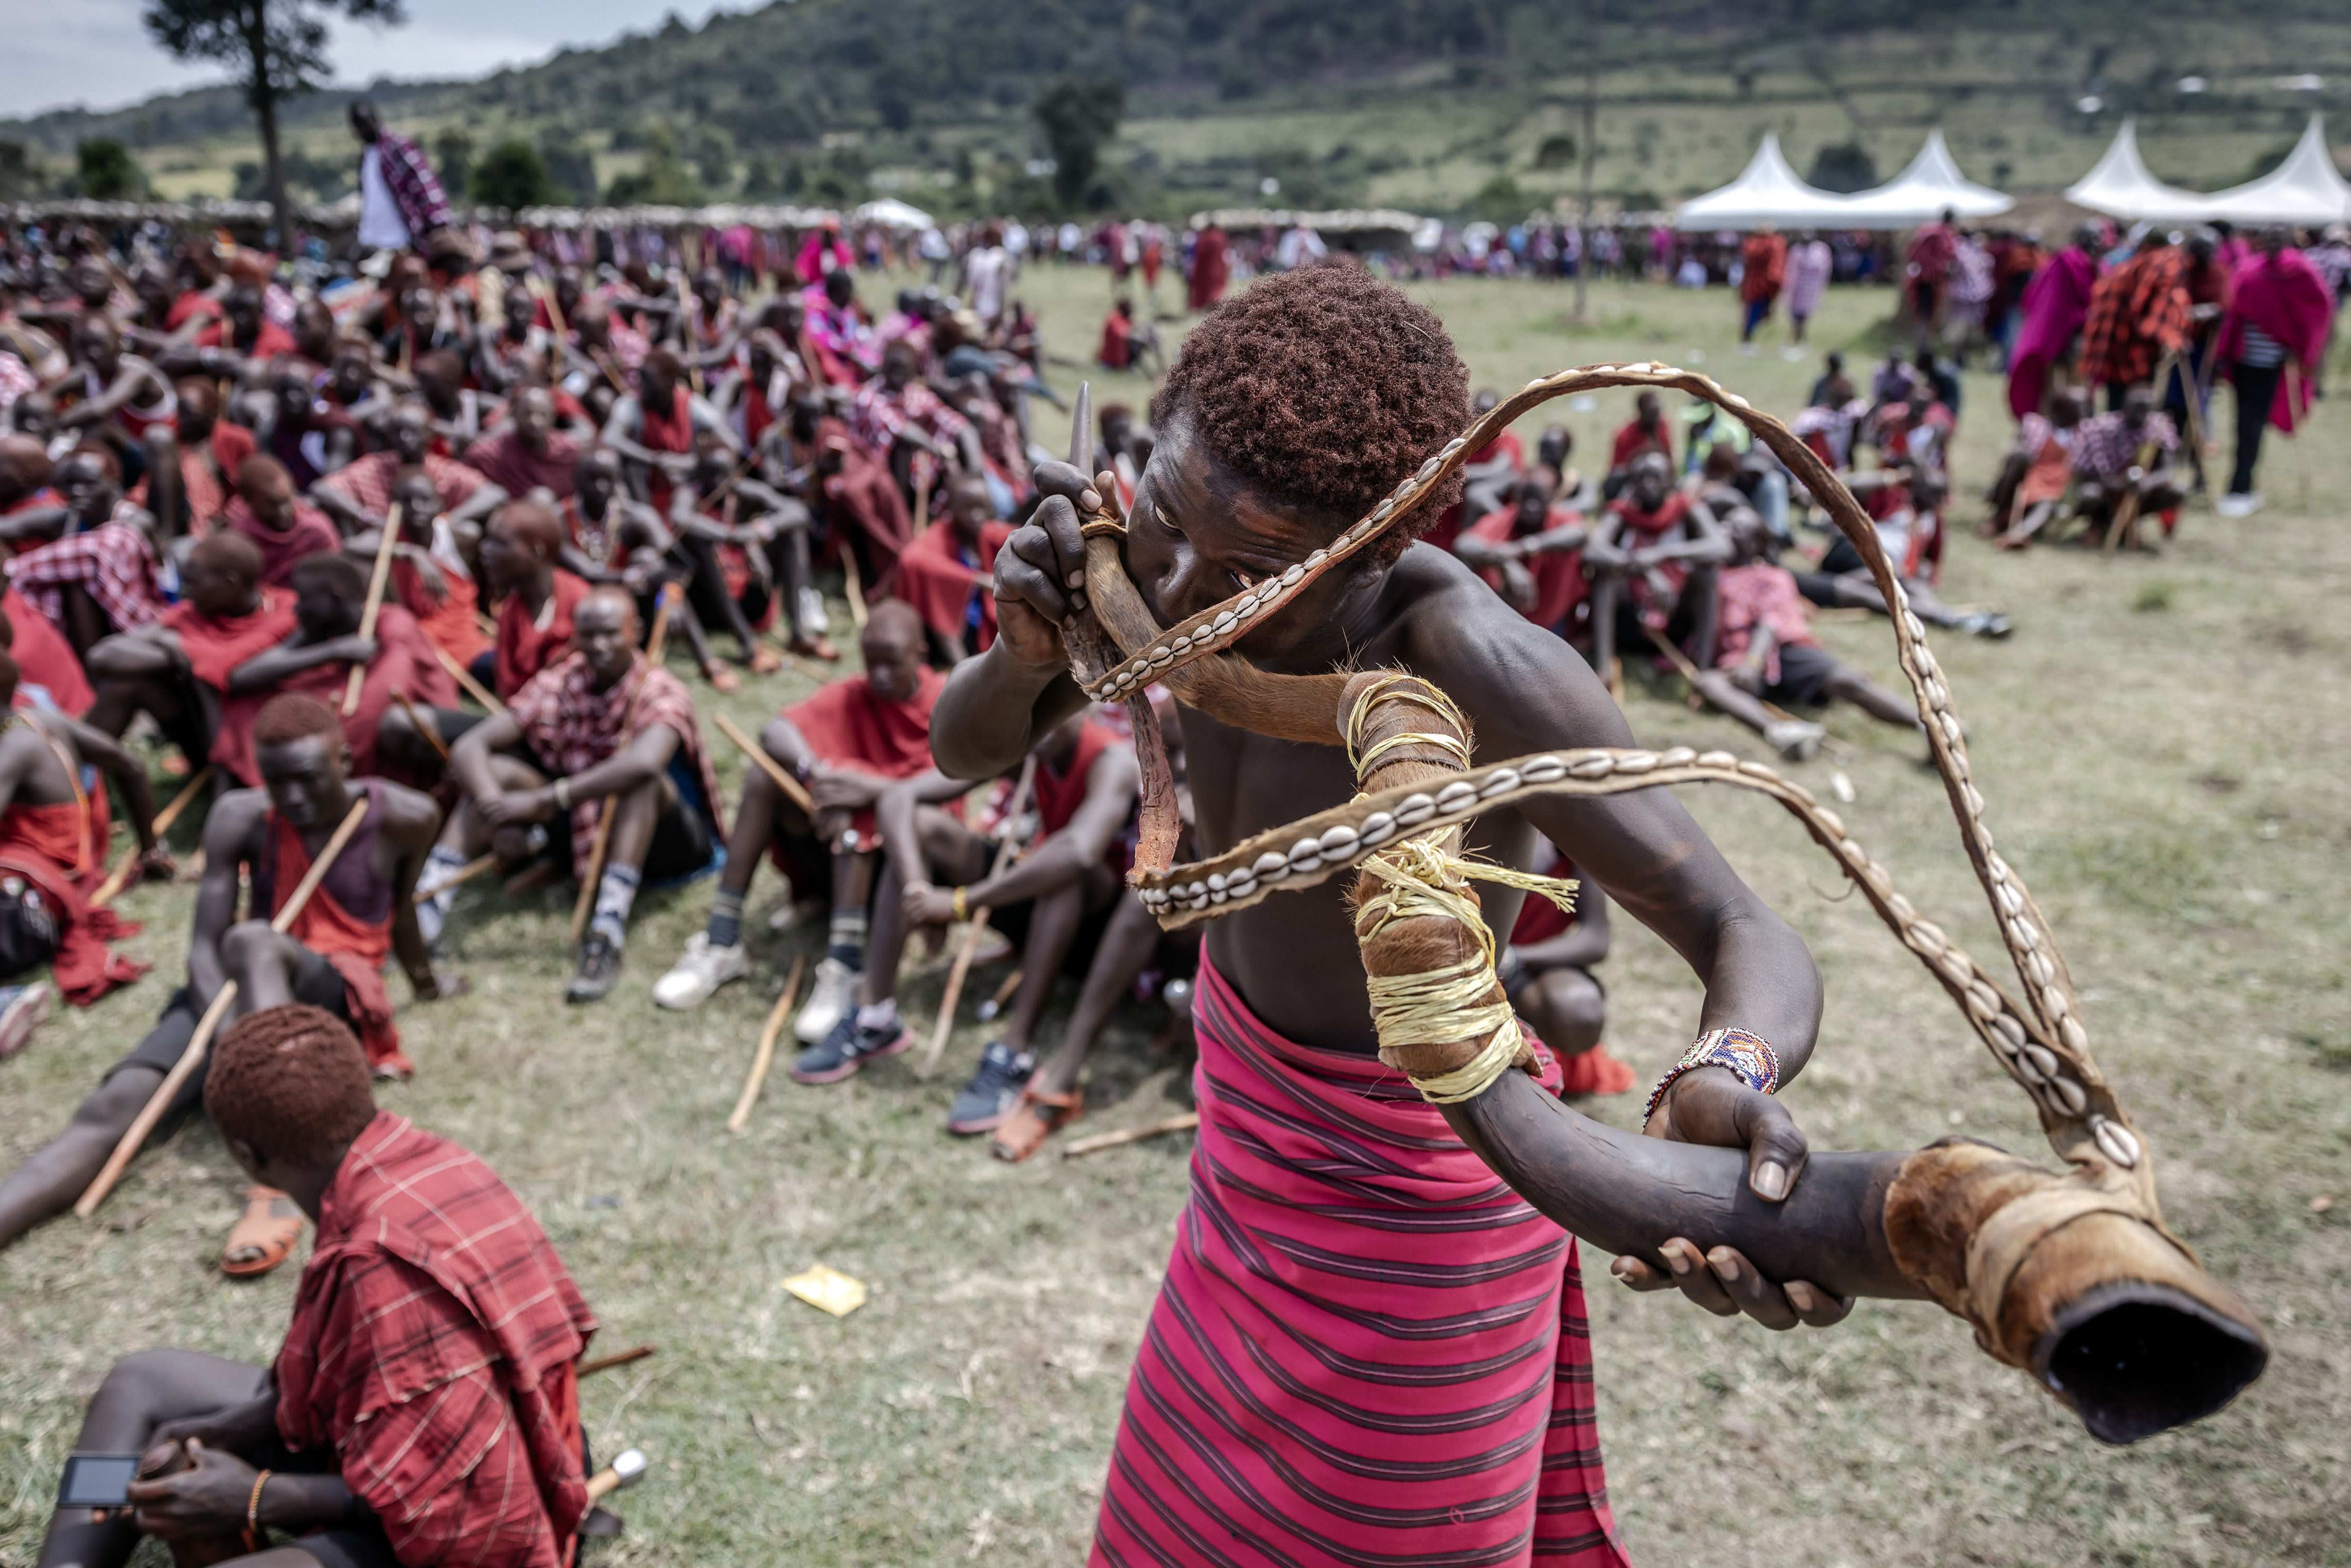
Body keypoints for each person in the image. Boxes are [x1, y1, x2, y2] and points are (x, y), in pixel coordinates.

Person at [954, 266, 1849, 1566]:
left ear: (1379, 540)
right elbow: (960, 748)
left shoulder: (1476, 664)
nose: (1195, 591)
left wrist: (1726, 1067)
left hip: (1424, 1227)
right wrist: (1025, 649)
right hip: (1239, 1180)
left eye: (1260, 570)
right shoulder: (1142, 555)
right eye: (1167, 515)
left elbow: (1736, 924)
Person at [31, 1004, 596, 1568]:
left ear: (248, 1158)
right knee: (143, 1380)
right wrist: (243, 1425)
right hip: (408, 1453)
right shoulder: (429, 1162)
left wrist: (254, 1496)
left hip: (475, 1518)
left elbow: (440, 1501)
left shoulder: (379, 1264)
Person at [0, 693, 452, 1265]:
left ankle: (282, 1170)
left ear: (346, 759)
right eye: (276, 782)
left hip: (330, 992)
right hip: (230, 997)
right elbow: (203, 950)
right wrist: (230, 1038)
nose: (292, 798)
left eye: (309, 779)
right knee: (111, 1110)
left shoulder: (407, 816)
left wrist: (427, 983)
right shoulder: (240, 816)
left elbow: (404, 911)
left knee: (254, 939)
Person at [794, 711, 1138, 1124]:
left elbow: (1080, 851)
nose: (1039, 727)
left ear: (1079, 703)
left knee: (1064, 872)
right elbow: (899, 799)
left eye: (1051, 710)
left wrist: (961, 903)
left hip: (1101, 936)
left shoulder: (1111, 760)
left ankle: (1016, 1052)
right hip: (1041, 914)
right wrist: (919, 892)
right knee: (923, 825)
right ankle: (874, 1014)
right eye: (1031, 709)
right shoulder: (1030, 743)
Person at [650, 601, 942, 1032]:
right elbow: (777, 730)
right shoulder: (854, 693)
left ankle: (846, 963)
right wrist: (817, 773)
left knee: (860, 810)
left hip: (896, 868)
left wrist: (868, 790)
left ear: (920, 651)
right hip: (831, 851)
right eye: (871, 663)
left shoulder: (946, 704)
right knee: (764, 776)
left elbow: (948, 790)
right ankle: (722, 937)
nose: (879, 675)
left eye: (892, 664)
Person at [426, 588, 724, 1002]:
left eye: (609, 634)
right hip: (586, 822)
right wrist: (499, 815)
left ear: (635, 631)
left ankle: (607, 932)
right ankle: (428, 913)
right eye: (588, 635)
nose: (598, 646)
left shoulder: (660, 689)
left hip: (665, 838)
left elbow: (642, 764)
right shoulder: (565, 679)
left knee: (639, 781)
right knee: (498, 772)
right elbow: (470, 747)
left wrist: (547, 800)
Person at [1689, 505, 1926, 759]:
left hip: (1786, 652)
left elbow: (1770, 622)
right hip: (1739, 663)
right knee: (1709, 683)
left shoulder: (1774, 576)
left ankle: (1926, 726)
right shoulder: (1711, 576)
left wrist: (1753, 662)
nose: (1726, 532)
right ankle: (1781, 732)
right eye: (1724, 525)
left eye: (1736, 528)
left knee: (1844, 682)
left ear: (1755, 544)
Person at [212, 552, 455, 785]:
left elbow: (382, 700)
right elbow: (242, 679)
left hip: (401, 723)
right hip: (347, 693)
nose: (296, 608)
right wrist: (331, 650)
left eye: (303, 598)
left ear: (336, 599)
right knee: (248, 706)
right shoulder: (323, 629)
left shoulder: (395, 624)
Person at [0, 647, 157, 1005]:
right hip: (70, 878)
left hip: (41, 889)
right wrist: (151, 851)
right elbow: (131, 765)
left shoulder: (13, 748)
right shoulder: (39, 719)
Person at [86, 532, 296, 771]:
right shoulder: (194, 612)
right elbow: (102, 655)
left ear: (231, 582)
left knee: (204, 681)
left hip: (256, 739)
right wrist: (177, 651)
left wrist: (179, 647)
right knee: (123, 684)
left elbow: (224, 668)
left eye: (194, 582)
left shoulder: (284, 612)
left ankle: (227, 777)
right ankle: (78, 775)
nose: (187, 591)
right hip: (200, 732)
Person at [1582, 449, 1728, 695]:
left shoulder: (1686, 509)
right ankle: (1604, 668)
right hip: (1631, 619)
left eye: (1656, 477)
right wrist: (1646, 571)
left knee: (1706, 574)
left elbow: (1720, 547)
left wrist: (1662, 554)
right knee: (1605, 575)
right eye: (1641, 478)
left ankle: (1702, 671)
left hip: (1674, 617)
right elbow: (1593, 549)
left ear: (1670, 480)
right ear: (1632, 482)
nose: (1648, 485)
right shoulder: (1622, 513)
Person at [2214, 226, 2335, 517]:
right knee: (2242, 423)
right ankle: (2240, 485)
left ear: (2288, 242)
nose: (2270, 244)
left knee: (2251, 424)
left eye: (2276, 240)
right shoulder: (2249, 269)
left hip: (2271, 363)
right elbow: (2235, 309)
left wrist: (2300, 344)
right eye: (2266, 239)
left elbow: (2319, 307)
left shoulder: (2300, 271)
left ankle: (2240, 487)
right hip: (2244, 359)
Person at [1498, 837, 1631, 1096]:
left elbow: (1596, 939)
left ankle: (1544, 1068)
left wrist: (1515, 957)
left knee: (1577, 1007)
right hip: (1467, 959)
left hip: (1532, 965)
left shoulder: (1577, 838)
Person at [1453, 463, 1588, 634]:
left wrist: (1524, 547)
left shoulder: (1562, 519)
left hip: (1553, 621)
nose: (1532, 508)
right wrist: (1505, 562)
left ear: (1550, 500)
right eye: (1527, 499)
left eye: (1538, 500)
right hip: (1505, 618)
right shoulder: (1505, 519)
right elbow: (1464, 543)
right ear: (1517, 499)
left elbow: (1580, 533)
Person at [894, 471, 1015, 663]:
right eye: (968, 509)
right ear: (950, 508)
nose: (976, 516)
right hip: (948, 629)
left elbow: (1017, 536)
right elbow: (912, 560)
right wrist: (976, 580)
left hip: (982, 621)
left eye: (982, 508)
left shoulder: (985, 533)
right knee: (939, 591)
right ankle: (961, 665)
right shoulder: (941, 534)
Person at [2079, 228, 2191, 410]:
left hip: (2113, 352)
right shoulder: (2165, 263)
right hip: (2140, 355)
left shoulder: (2124, 269)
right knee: (2138, 410)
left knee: (2116, 407)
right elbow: (2159, 310)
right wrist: (2172, 336)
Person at [2068, 381, 2184, 544]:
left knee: (2177, 490)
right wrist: (2121, 484)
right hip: (2107, 490)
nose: (2141, 414)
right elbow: (2085, 474)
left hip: (2141, 491)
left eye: (2146, 409)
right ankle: (2100, 525)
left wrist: (2147, 482)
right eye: (2137, 407)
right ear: (2125, 406)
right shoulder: (2102, 429)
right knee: (2090, 495)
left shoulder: (2159, 429)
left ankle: (2128, 525)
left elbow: (2168, 469)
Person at [350, 98, 451, 255]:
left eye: (365, 124)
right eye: (358, 127)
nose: (363, 130)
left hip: (402, 240)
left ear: (375, 119)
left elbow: (425, 185)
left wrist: (438, 224)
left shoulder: (398, 146)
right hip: (374, 241)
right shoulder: (366, 155)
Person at [1988, 387, 2087, 549]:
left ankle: (2019, 535)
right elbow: (2017, 449)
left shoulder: (2082, 433)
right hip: (2032, 473)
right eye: (2079, 407)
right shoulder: (2036, 425)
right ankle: (1997, 517)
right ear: (2062, 409)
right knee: (2018, 458)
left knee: (2046, 504)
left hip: (2056, 482)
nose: (2085, 411)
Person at [223, 455, 342, 588]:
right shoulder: (242, 537)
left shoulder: (315, 530)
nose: (283, 512)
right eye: (271, 505)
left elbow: (335, 576)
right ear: (248, 502)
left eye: (286, 501)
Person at [464, 383, 583, 501]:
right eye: (527, 413)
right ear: (515, 415)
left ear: (552, 418)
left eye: (542, 414)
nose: (535, 421)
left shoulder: (566, 452)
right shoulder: (492, 456)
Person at [1904, 207, 1958, 340]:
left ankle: (1922, 338)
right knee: (1928, 311)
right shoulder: (1945, 235)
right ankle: (1924, 340)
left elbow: (1912, 252)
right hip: (1932, 280)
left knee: (1922, 310)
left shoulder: (1928, 230)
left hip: (1920, 277)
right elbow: (1947, 256)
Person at [1604, 389, 1672, 494]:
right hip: (1633, 481)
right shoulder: (1624, 435)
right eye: (1652, 415)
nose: (1656, 419)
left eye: (1657, 413)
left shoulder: (1662, 426)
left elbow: (1669, 457)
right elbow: (1616, 469)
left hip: (1659, 478)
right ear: (1641, 412)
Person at [1738, 223, 1787, 350]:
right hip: (1765, 285)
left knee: (1751, 314)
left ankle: (1747, 341)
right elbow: (1774, 269)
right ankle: (1747, 342)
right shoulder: (1775, 243)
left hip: (1751, 284)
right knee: (1759, 313)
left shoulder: (1751, 243)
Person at [1785, 230, 1833, 349]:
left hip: (1812, 289)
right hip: (1796, 289)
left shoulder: (1821, 250)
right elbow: (1791, 270)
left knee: (1804, 317)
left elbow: (1824, 269)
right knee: (1795, 316)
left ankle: (1800, 340)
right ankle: (1797, 340)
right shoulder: (1796, 250)